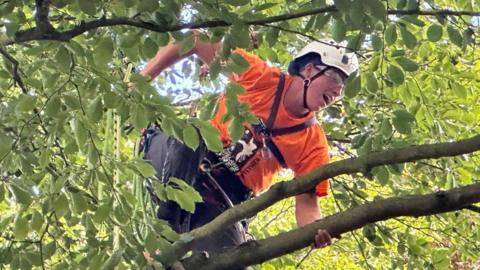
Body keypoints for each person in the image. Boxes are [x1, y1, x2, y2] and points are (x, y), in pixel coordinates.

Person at [139, 31, 359, 255]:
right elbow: (197, 40)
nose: (338, 91)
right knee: (191, 133)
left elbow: (308, 206)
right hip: (179, 157)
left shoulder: (312, 144)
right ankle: (166, 229)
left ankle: (172, 251)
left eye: (343, 87)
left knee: (234, 261)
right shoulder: (258, 77)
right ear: (309, 69)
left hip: (222, 200)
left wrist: (316, 229)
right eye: (335, 77)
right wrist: (140, 81)